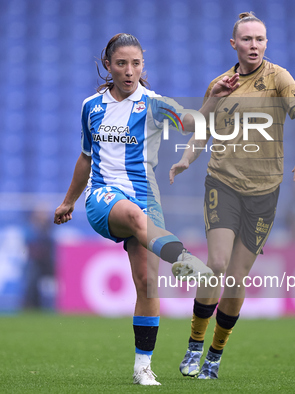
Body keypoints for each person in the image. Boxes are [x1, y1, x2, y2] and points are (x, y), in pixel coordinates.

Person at [54, 33, 239, 385]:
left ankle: (142, 368)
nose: (129, 71)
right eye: (121, 63)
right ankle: (189, 264)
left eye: (136, 63)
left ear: (143, 66)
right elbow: (85, 157)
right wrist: (69, 201)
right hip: (103, 198)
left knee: (148, 283)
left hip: (145, 198)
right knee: (137, 219)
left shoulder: (153, 104)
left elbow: (188, 122)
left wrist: (212, 100)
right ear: (108, 65)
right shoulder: (91, 107)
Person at [170, 12, 295, 379]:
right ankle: (193, 345)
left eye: (260, 39)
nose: (255, 45)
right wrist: (186, 159)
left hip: (265, 192)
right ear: (233, 43)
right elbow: (200, 127)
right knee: (217, 264)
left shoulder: (279, 78)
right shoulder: (220, 84)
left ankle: (214, 356)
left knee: (236, 278)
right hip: (223, 182)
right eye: (248, 39)